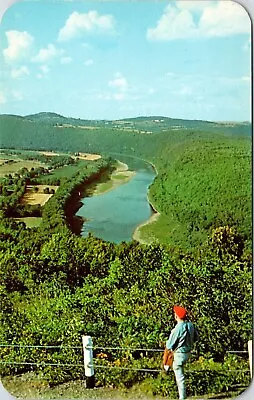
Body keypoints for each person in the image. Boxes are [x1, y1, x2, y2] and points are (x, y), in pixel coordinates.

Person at [166, 305, 199, 400]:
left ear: (176, 316)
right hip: (188, 353)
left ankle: (182, 398)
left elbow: (169, 345)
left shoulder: (177, 328)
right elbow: (196, 338)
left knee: (180, 379)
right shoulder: (191, 325)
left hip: (179, 355)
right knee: (182, 376)